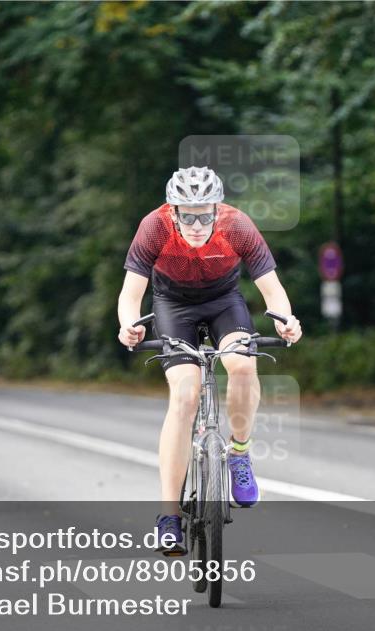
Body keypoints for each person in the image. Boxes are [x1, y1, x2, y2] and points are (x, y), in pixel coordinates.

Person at [116, 166, 302, 555]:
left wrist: (286, 321)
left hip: (223, 302)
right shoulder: (154, 227)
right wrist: (128, 326)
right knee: (184, 395)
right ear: (173, 211)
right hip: (173, 305)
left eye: (205, 213)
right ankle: (169, 517)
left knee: (243, 364)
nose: (197, 223)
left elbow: (273, 290)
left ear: (217, 208)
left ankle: (238, 453)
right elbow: (131, 293)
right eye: (188, 214)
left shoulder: (237, 225)